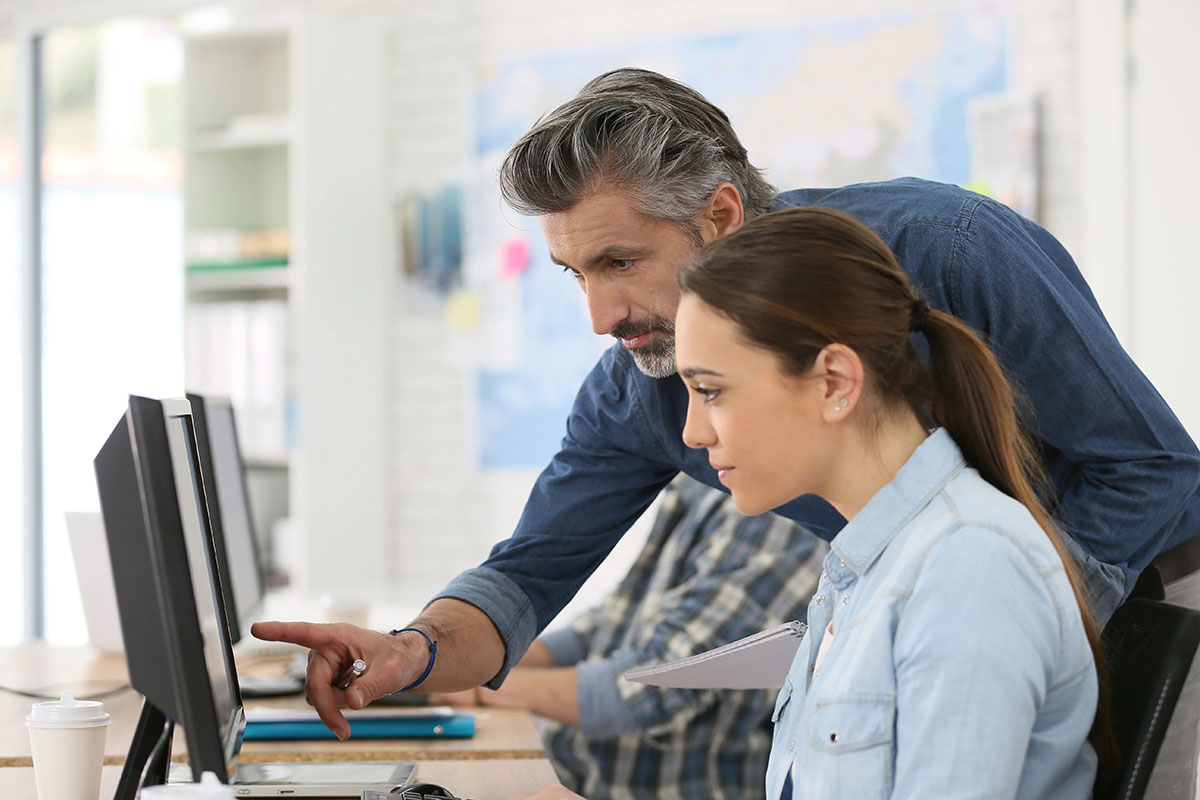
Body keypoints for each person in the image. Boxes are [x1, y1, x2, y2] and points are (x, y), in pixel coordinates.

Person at [252, 68, 1200, 797]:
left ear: (721, 216)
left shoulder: (947, 251)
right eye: (574, 274)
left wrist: (1029, 619)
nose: (601, 315)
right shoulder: (644, 385)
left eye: (620, 261)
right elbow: (526, 574)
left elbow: (1154, 470)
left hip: (1141, 582)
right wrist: (411, 653)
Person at [438, 474, 828, 800]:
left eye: (708, 391)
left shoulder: (771, 517)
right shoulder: (697, 487)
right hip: (573, 779)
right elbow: (611, 621)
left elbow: (654, 689)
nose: (690, 430)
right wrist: (486, 656)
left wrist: (479, 686)